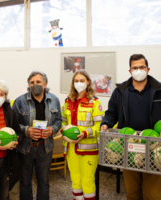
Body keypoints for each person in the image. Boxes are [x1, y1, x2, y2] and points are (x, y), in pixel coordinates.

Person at [101, 54, 161, 200]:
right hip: (128, 146)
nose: (138, 70)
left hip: (154, 147)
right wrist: (105, 123)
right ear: (130, 71)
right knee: (132, 192)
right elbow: (111, 113)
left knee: (153, 195)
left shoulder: (159, 90)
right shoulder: (120, 91)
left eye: (142, 67)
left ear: (148, 69)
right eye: (135, 67)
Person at [13, 70, 62, 200]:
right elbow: (13, 124)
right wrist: (26, 130)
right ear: (28, 85)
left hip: (45, 148)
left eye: (38, 82)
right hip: (25, 148)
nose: (35, 84)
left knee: (44, 182)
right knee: (24, 181)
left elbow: (59, 121)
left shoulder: (54, 100)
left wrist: (52, 129)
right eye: (32, 82)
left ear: (45, 84)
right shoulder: (19, 101)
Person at [61, 69, 103, 200]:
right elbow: (63, 121)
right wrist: (64, 130)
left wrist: (85, 134)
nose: (79, 83)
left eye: (82, 80)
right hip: (71, 147)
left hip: (88, 148)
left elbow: (99, 126)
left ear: (88, 82)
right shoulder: (67, 101)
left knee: (87, 180)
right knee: (75, 179)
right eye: (76, 81)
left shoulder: (95, 102)